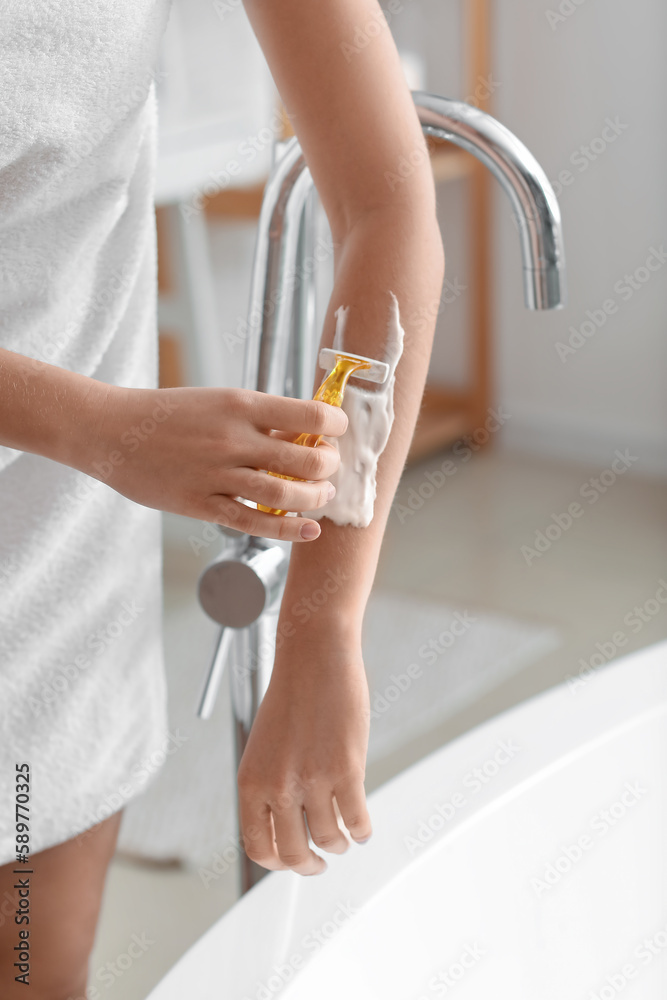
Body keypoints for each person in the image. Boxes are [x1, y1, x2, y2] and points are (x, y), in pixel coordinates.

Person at [0, 0, 444, 995]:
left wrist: (321, 621)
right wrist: (102, 427)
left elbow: (386, 208)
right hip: (87, 455)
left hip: (48, 565)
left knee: (26, 961)